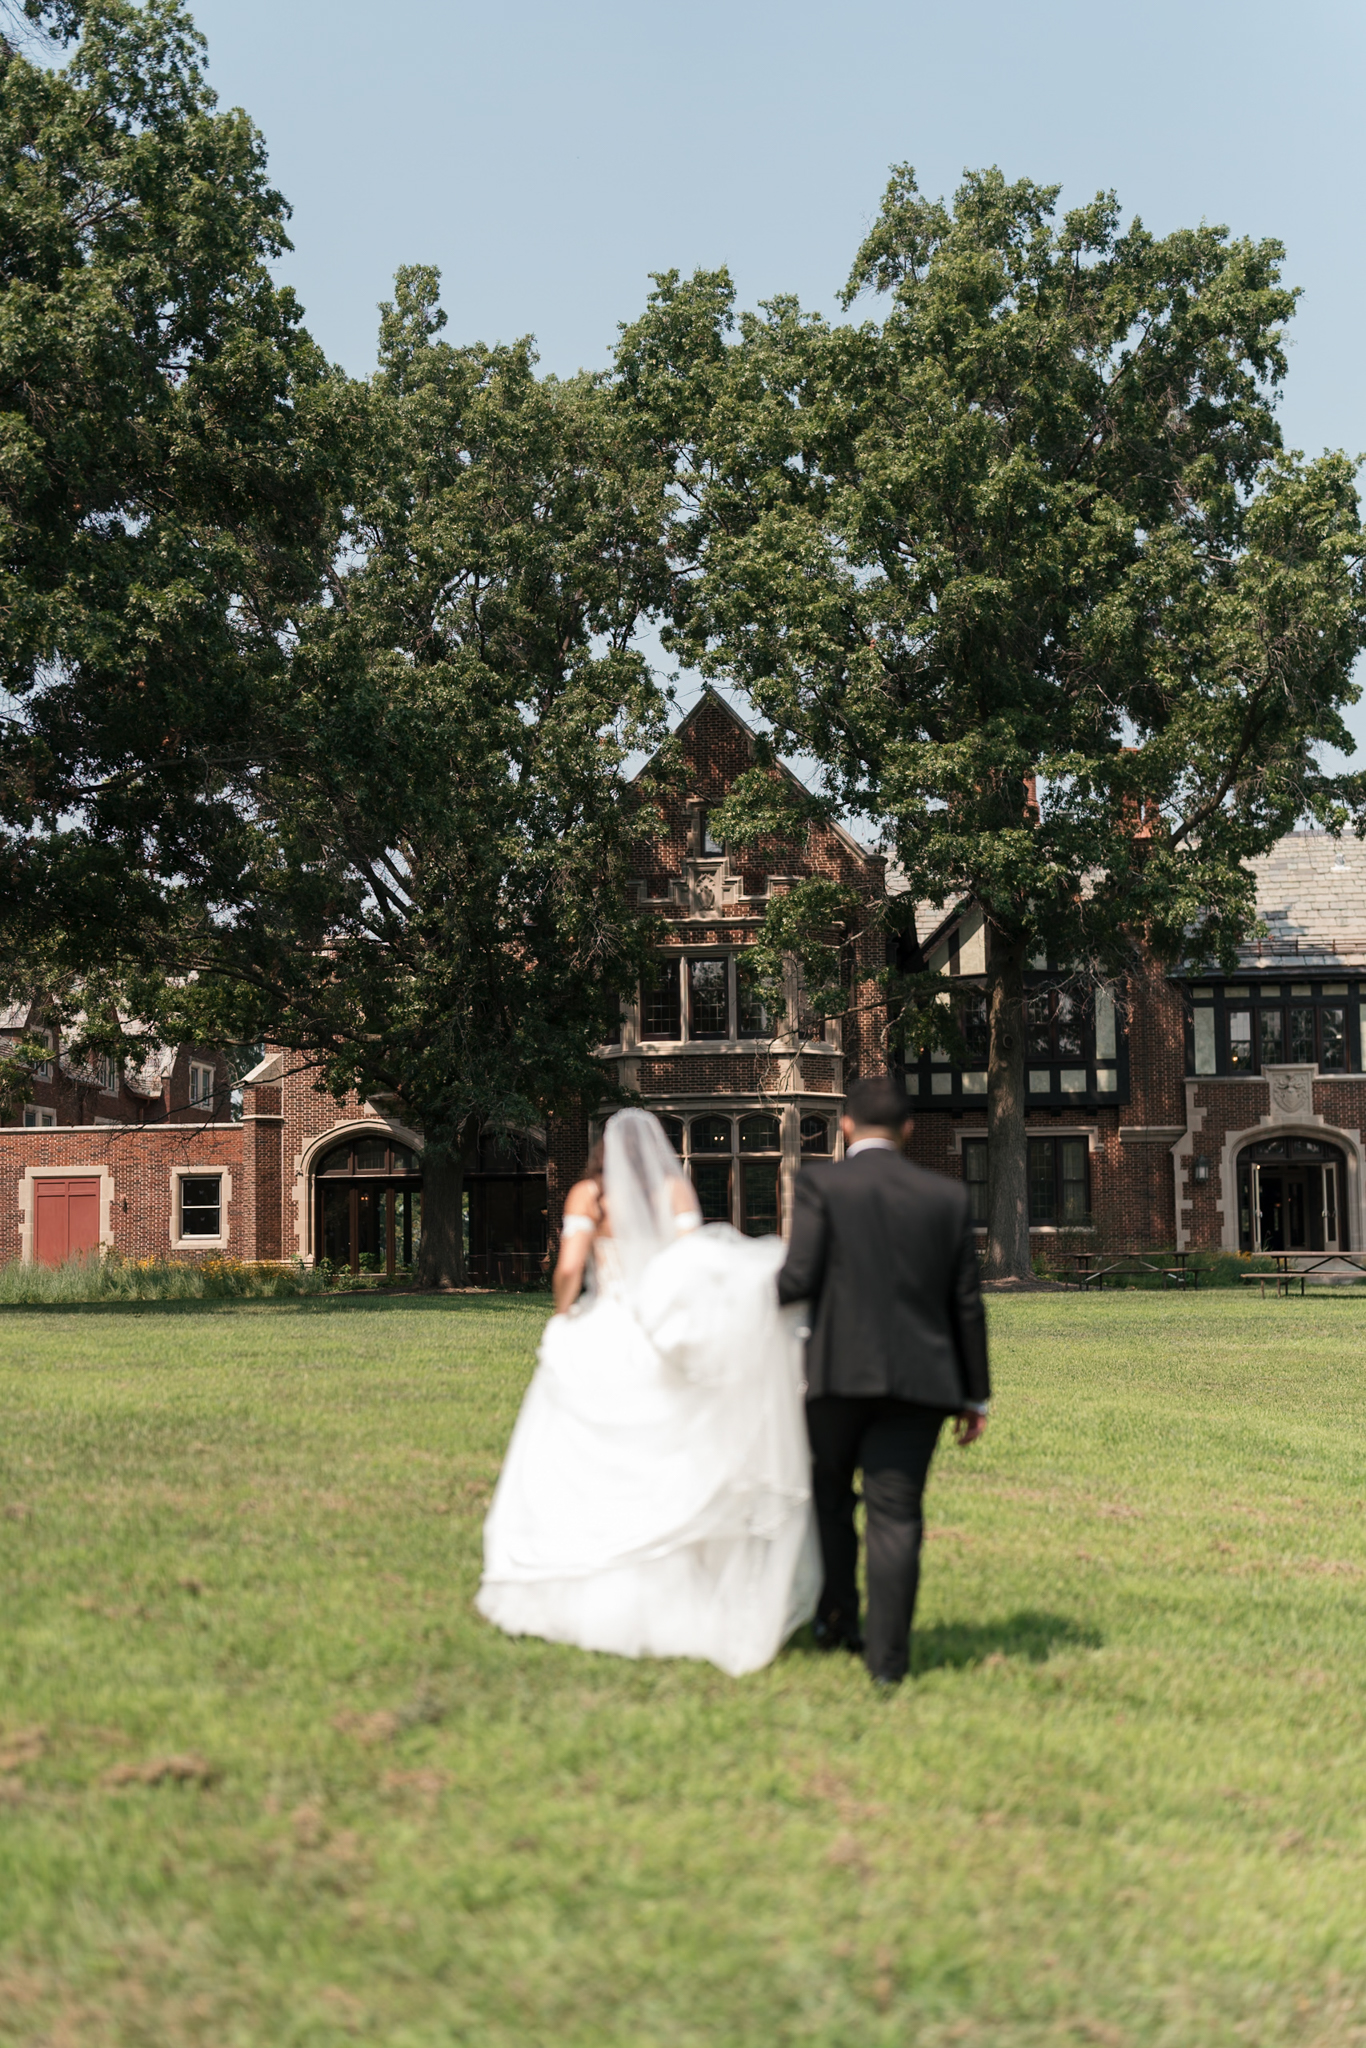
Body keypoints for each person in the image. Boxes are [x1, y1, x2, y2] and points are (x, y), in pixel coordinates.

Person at [477, 1108, 820, 1677]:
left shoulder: (590, 1195)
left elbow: (570, 1269)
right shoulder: (674, 1191)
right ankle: (679, 1582)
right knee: (669, 1454)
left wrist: (563, 1313)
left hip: (605, 1328)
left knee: (583, 1462)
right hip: (659, 1333)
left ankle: (584, 1571)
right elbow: (696, 1266)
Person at [777, 1074, 990, 1689]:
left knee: (830, 1499)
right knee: (896, 1516)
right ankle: (888, 1665)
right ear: (908, 1129)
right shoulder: (946, 1197)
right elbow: (966, 1304)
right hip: (921, 1384)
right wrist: (974, 1395)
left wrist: (737, 1294)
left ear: (845, 1126)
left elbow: (797, 1280)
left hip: (836, 1378)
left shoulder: (821, 1184)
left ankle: (838, 1621)